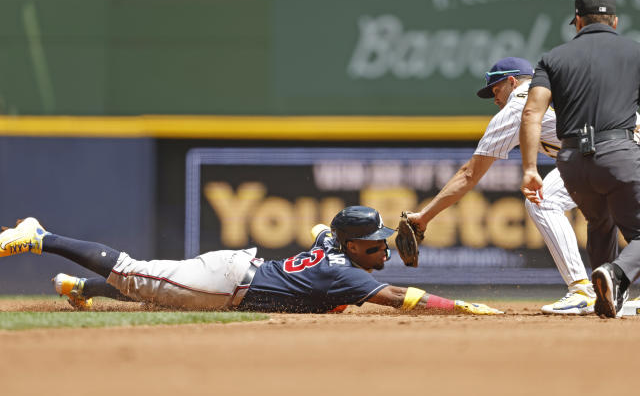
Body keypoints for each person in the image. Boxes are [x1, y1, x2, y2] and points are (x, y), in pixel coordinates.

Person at [0, 207, 502, 315]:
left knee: (150, 291)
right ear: (352, 248)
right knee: (133, 273)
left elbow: (322, 229)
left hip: (236, 273)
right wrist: (459, 307)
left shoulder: (335, 245)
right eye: (377, 243)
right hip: (226, 284)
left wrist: (340, 234)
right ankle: (40, 236)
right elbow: (400, 298)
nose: (385, 248)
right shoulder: (343, 269)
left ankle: (79, 289)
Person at [406, 57, 596, 315]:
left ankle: (582, 291)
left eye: (496, 90)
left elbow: (469, 175)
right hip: (626, 147)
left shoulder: (518, 107)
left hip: (600, 155)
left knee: (543, 200)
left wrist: (424, 217)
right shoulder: (567, 89)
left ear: (512, 82)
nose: (495, 99)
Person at [520, 0, 640, 318]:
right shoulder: (635, 52)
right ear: (615, 21)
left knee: (600, 222)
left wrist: (530, 169)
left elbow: (531, 113)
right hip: (618, 152)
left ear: (577, 21)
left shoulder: (552, 58)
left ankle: (605, 297)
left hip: (572, 161)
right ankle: (615, 274)